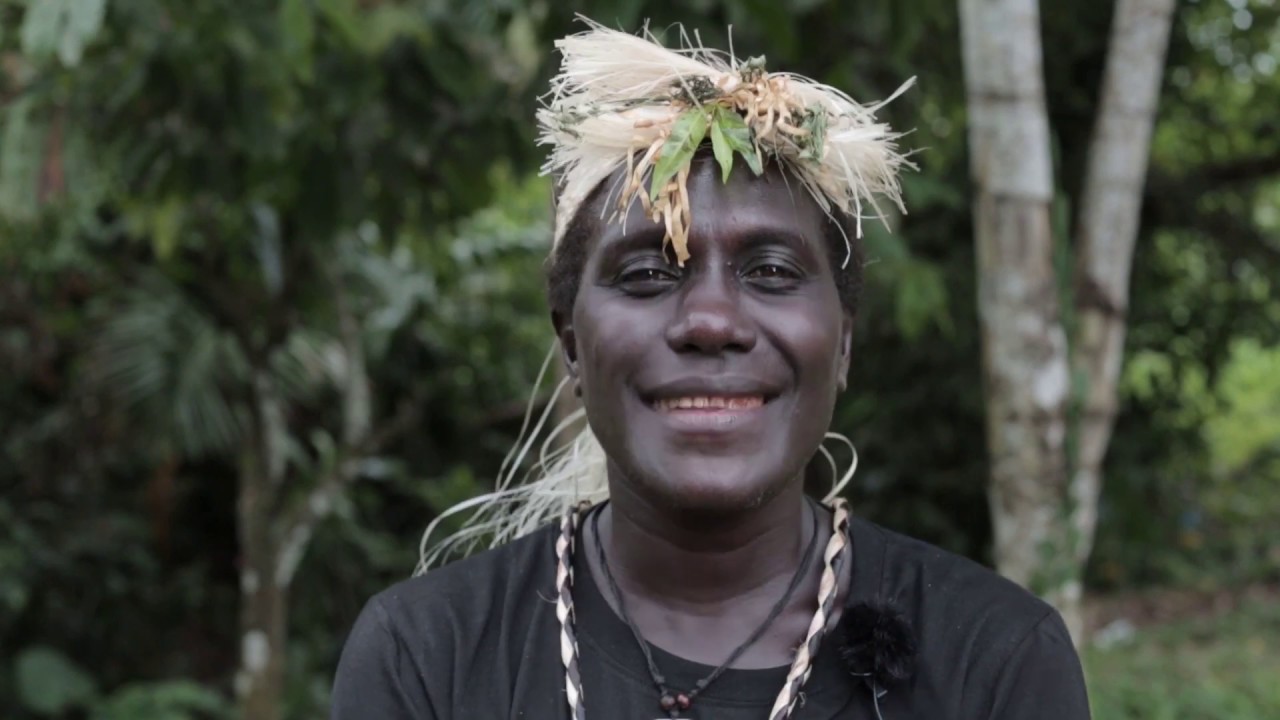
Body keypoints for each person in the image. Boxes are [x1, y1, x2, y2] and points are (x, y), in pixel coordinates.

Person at [331, 18, 1090, 720]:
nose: (711, 322)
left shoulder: (995, 662)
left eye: (769, 271)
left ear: (845, 340)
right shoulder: (427, 657)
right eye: (647, 276)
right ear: (570, 343)